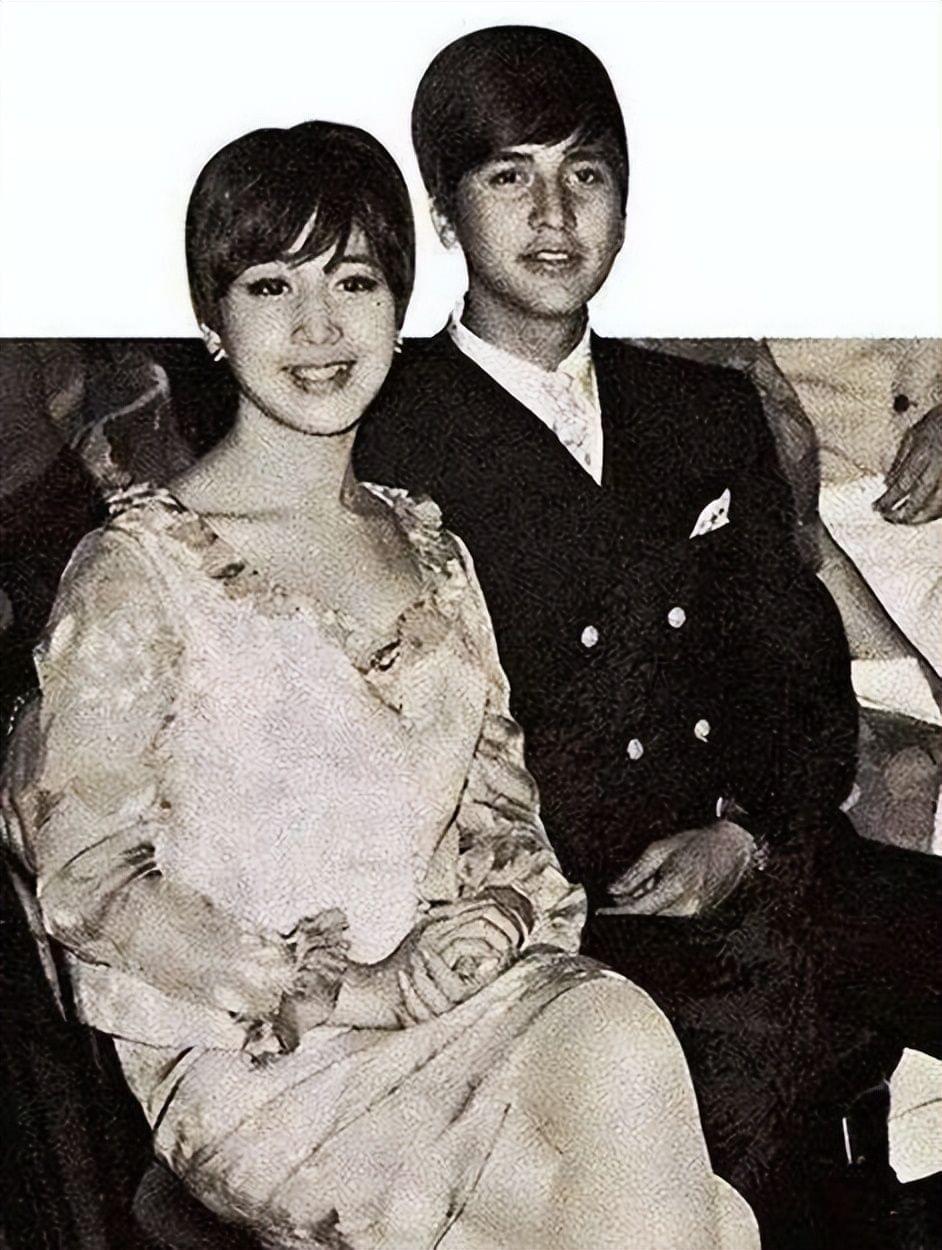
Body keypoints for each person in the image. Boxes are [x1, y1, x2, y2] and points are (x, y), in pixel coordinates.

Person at [0, 121, 758, 1250]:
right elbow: (86, 874)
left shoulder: (432, 550)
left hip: (464, 1008)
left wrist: (490, 922)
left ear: (399, 306)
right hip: (259, 1050)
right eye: (271, 286)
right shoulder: (140, 570)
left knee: (637, 1082)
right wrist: (355, 987)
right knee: (702, 1214)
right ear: (211, 321)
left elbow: (502, 816)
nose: (318, 327)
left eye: (353, 281)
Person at [353, 25, 942, 1248]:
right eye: (510, 175)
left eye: (588, 172)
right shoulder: (385, 434)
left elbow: (797, 673)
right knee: (737, 1146)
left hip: (766, 860)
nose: (555, 214)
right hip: (574, 933)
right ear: (446, 212)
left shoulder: (701, 409)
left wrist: (745, 828)